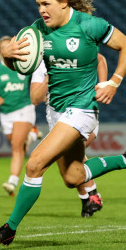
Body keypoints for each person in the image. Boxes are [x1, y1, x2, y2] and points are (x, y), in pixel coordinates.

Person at [0, 0, 126, 247]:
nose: (40, 10)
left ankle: (8, 229)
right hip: (56, 110)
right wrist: (9, 58)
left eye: (45, 3)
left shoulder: (90, 25)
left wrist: (114, 82)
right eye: (38, 4)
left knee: (35, 163)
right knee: (73, 177)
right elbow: (21, 67)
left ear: (63, 2)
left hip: (82, 109)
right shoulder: (37, 30)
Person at [30, 53, 107, 217]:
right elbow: (35, 98)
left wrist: (104, 85)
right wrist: (47, 80)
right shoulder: (39, 66)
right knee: (69, 173)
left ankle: (92, 195)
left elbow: (99, 59)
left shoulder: (70, 51)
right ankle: (87, 198)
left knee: (68, 153)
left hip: (81, 112)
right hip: (57, 122)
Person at [0, 36, 41, 196]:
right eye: (5, 46)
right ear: (1, 51)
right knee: (20, 147)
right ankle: (33, 134)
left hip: (24, 108)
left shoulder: (23, 64)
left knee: (16, 146)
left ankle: (12, 182)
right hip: (6, 114)